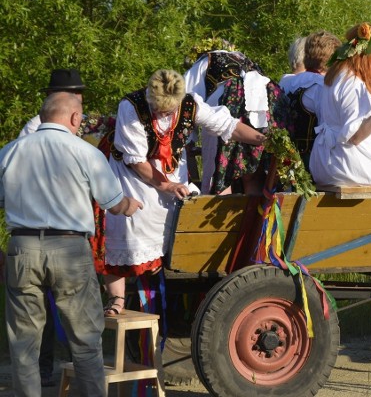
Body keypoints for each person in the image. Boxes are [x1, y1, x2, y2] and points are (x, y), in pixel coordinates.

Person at [0, 93, 142, 397]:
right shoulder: (85, 152)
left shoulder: (9, 151)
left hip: (22, 246)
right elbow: (113, 203)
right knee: (85, 343)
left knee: (24, 348)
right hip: (70, 249)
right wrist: (131, 204)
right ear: (75, 118)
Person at [101, 69, 266, 315]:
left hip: (171, 174)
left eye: (169, 111)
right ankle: (120, 298)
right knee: (131, 225)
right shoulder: (131, 108)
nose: (164, 115)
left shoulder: (190, 104)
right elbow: (137, 162)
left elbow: (228, 126)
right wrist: (167, 186)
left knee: (176, 228)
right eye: (160, 110)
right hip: (132, 176)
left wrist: (262, 139)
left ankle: (166, 301)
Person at [17, 68, 87, 386]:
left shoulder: (68, 127)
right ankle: (46, 370)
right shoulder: (34, 132)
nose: (80, 98)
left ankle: (65, 372)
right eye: (75, 93)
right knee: (42, 310)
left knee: (64, 307)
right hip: (44, 230)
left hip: (63, 231)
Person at [309, 22, 371, 190]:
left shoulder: (335, 76)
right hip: (345, 162)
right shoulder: (353, 83)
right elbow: (355, 137)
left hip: (323, 160)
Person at [184, 45, 278, 194]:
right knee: (252, 174)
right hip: (264, 103)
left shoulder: (205, 61)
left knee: (221, 170)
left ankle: (219, 209)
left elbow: (186, 104)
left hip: (230, 101)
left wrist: (189, 143)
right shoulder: (245, 60)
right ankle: (254, 216)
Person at [273, 30, 340, 167]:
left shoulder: (286, 82)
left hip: (283, 158)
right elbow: (330, 129)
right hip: (311, 160)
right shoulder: (321, 86)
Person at [18, 69, 86, 137]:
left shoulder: (90, 124)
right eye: (69, 92)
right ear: (51, 94)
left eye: (78, 91)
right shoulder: (35, 125)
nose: (74, 96)